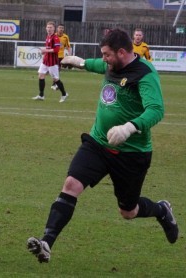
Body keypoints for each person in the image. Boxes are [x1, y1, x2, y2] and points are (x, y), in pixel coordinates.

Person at [27, 28, 178, 263]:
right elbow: (97, 64)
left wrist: (129, 127)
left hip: (132, 153)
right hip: (98, 142)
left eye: (107, 54)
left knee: (128, 211)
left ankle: (161, 210)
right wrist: (79, 62)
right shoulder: (111, 65)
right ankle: (47, 241)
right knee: (71, 184)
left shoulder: (145, 73)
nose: (104, 59)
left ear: (121, 52)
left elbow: (156, 110)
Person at [32, 21, 68, 103]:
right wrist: (45, 52)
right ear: (46, 28)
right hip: (46, 60)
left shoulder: (55, 38)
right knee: (41, 75)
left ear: (54, 28)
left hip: (52, 62)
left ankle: (64, 94)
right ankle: (41, 95)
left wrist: (46, 50)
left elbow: (57, 49)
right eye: (48, 27)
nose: (49, 29)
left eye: (51, 27)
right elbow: (48, 48)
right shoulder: (48, 37)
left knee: (56, 79)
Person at [51, 23, 71, 90]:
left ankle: (54, 84)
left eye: (62, 28)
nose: (61, 29)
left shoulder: (65, 37)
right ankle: (55, 84)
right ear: (57, 29)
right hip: (53, 55)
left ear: (63, 29)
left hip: (60, 56)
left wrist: (70, 54)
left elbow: (68, 47)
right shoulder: (54, 36)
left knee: (57, 70)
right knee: (54, 70)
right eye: (60, 28)